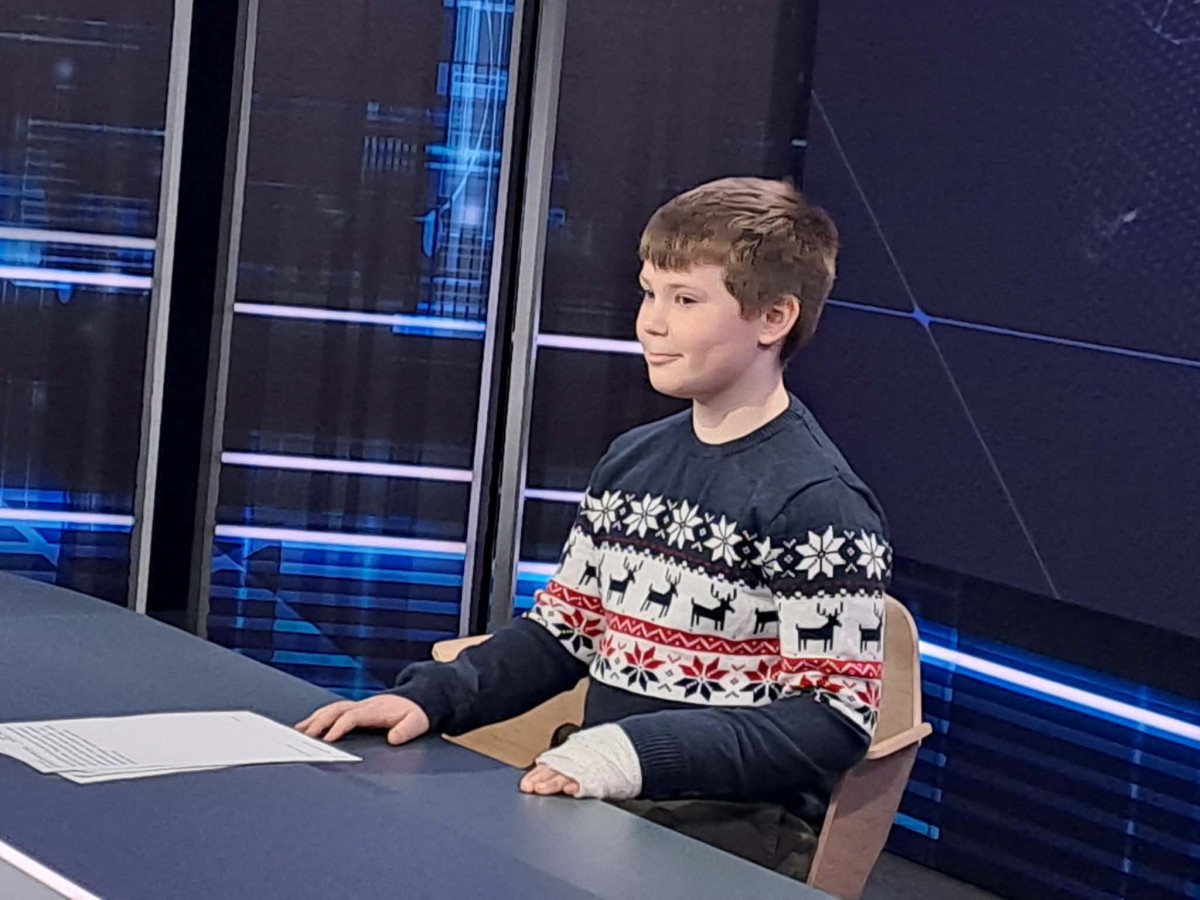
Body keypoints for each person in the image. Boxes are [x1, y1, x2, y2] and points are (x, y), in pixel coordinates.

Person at [296, 176, 891, 881]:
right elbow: (563, 632)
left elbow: (831, 718)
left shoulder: (819, 502)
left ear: (773, 317)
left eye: (685, 300)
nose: (651, 323)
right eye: (649, 293)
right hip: (603, 792)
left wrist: (630, 753)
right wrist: (429, 698)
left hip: (731, 826)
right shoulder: (632, 461)